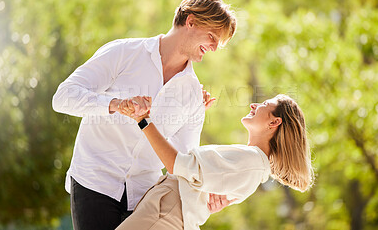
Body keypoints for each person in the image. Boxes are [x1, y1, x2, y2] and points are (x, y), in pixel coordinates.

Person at [52, 0, 237, 230]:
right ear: (191, 21)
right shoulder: (124, 53)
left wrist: (207, 196)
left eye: (217, 44)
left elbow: (183, 162)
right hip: (95, 180)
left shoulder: (193, 95)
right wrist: (117, 105)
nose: (213, 48)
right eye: (212, 37)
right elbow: (63, 97)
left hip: (145, 196)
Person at [115, 94, 314, 230]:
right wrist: (196, 113)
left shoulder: (250, 162)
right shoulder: (250, 163)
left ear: (274, 122)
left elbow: (177, 164)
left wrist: (143, 120)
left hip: (164, 215)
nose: (254, 105)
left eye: (263, 105)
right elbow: (195, 173)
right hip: (167, 214)